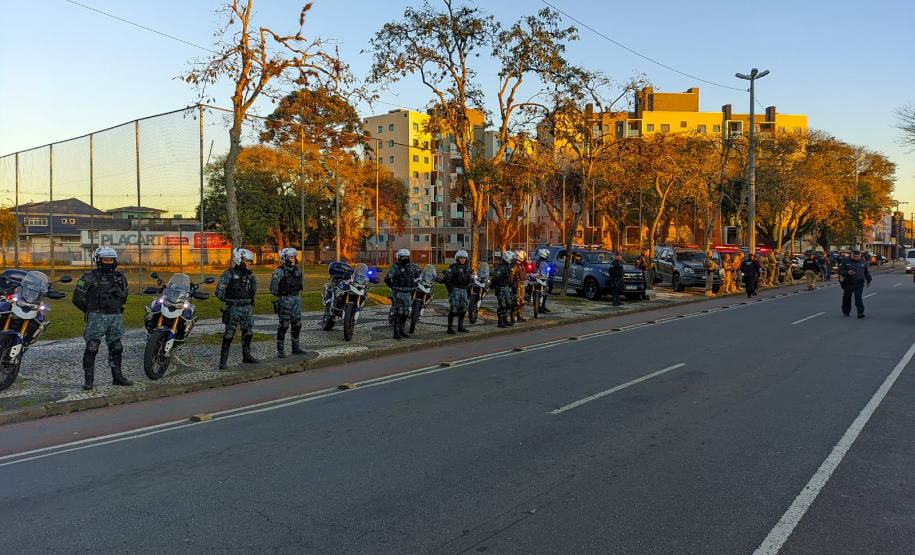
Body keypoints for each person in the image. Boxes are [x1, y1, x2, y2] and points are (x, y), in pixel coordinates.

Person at [72, 247, 132, 390]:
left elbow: (124, 296)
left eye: (111, 260)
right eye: (105, 260)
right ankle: (89, 380)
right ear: (98, 260)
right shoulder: (88, 277)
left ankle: (117, 377)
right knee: (92, 347)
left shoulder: (121, 277)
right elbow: (77, 298)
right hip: (96, 316)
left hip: (115, 316)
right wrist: (90, 311)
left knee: (117, 347)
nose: (108, 262)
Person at [215, 248, 259, 369]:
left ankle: (246, 355)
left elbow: (255, 289)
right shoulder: (228, 274)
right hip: (233, 308)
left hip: (247, 308)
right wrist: (230, 300)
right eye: (248, 261)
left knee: (249, 332)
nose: (250, 263)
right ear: (239, 260)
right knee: (229, 334)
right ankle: (223, 361)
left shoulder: (251, 275)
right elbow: (219, 292)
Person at [269, 247, 305, 358]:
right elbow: (273, 288)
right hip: (284, 299)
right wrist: (281, 297)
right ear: (284, 258)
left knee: (297, 324)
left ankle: (295, 347)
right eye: (290, 257)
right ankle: (280, 350)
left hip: (296, 299)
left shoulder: (298, 271)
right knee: (284, 325)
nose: (293, 260)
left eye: (294, 257)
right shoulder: (279, 272)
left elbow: (301, 284)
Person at [384, 248, 419, 340]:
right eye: (402, 256)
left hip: (408, 293)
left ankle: (402, 330)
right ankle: (396, 332)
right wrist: (392, 287)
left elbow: (418, 275)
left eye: (406, 256)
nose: (404, 258)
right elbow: (387, 278)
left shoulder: (412, 267)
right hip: (398, 292)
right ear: (399, 257)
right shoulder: (395, 267)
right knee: (399, 312)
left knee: (406, 313)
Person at [441, 249, 473, 334]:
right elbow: (447, 279)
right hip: (455, 290)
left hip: (464, 290)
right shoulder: (453, 267)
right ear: (457, 258)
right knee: (454, 309)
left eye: (464, 258)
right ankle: (450, 327)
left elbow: (471, 279)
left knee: (463, 309)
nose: (462, 260)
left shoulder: (468, 268)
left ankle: (460, 326)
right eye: (461, 258)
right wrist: (450, 289)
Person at [838, 249, 872, 318]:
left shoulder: (863, 262)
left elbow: (866, 272)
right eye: (854, 256)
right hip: (848, 283)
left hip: (859, 283)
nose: (856, 258)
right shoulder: (845, 261)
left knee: (858, 297)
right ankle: (846, 312)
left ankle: (860, 312)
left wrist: (868, 280)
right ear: (851, 255)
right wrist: (847, 272)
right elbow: (840, 271)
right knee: (847, 298)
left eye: (857, 256)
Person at [491, 251, 515, 328]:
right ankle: (500, 321)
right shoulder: (500, 267)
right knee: (502, 305)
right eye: (511, 259)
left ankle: (505, 319)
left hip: (506, 287)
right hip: (500, 287)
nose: (512, 260)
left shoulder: (507, 267)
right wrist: (493, 285)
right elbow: (495, 278)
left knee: (508, 303)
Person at [510, 250, 528, 323]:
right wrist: (512, 285)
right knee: (515, 302)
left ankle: (519, 316)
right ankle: (512, 317)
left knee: (522, 302)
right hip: (516, 285)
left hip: (522, 284)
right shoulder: (514, 266)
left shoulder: (522, 265)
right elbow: (511, 277)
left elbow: (524, 274)